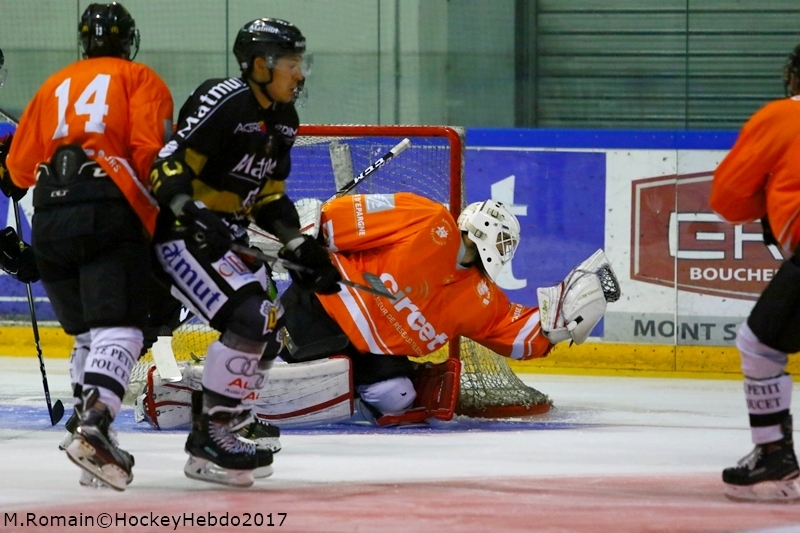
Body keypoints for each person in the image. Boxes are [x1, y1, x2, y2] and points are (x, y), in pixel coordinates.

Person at [148, 17, 340, 487]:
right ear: (259, 65)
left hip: (225, 236)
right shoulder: (225, 102)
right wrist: (193, 213)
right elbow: (165, 166)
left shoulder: (283, 121)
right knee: (250, 320)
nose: (300, 74)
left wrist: (298, 244)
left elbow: (269, 198)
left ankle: (223, 428)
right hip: (181, 235)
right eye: (292, 64)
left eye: (300, 63)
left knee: (270, 331)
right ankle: (213, 435)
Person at [2, 3, 173, 491]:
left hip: (51, 220)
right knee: (121, 330)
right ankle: (94, 425)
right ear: (129, 41)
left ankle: (92, 449)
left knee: (86, 337)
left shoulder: (54, 85)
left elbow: (17, 173)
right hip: (109, 211)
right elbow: (148, 156)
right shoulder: (141, 79)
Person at [278, 192, 619, 421]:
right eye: (503, 238)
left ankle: (349, 405)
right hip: (321, 308)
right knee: (275, 358)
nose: (505, 249)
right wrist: (298, 234)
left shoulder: (482, 297)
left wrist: (563, 321)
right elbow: (334, 220)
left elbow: (523, 334)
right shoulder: (429, 219)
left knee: (396, 395)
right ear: (480, 227)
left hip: (373, 354)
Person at [710, 44, 800, 502]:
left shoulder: (783, 117)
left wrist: (766, 198)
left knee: (759, 344)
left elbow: (726, 198)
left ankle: (774, 457)